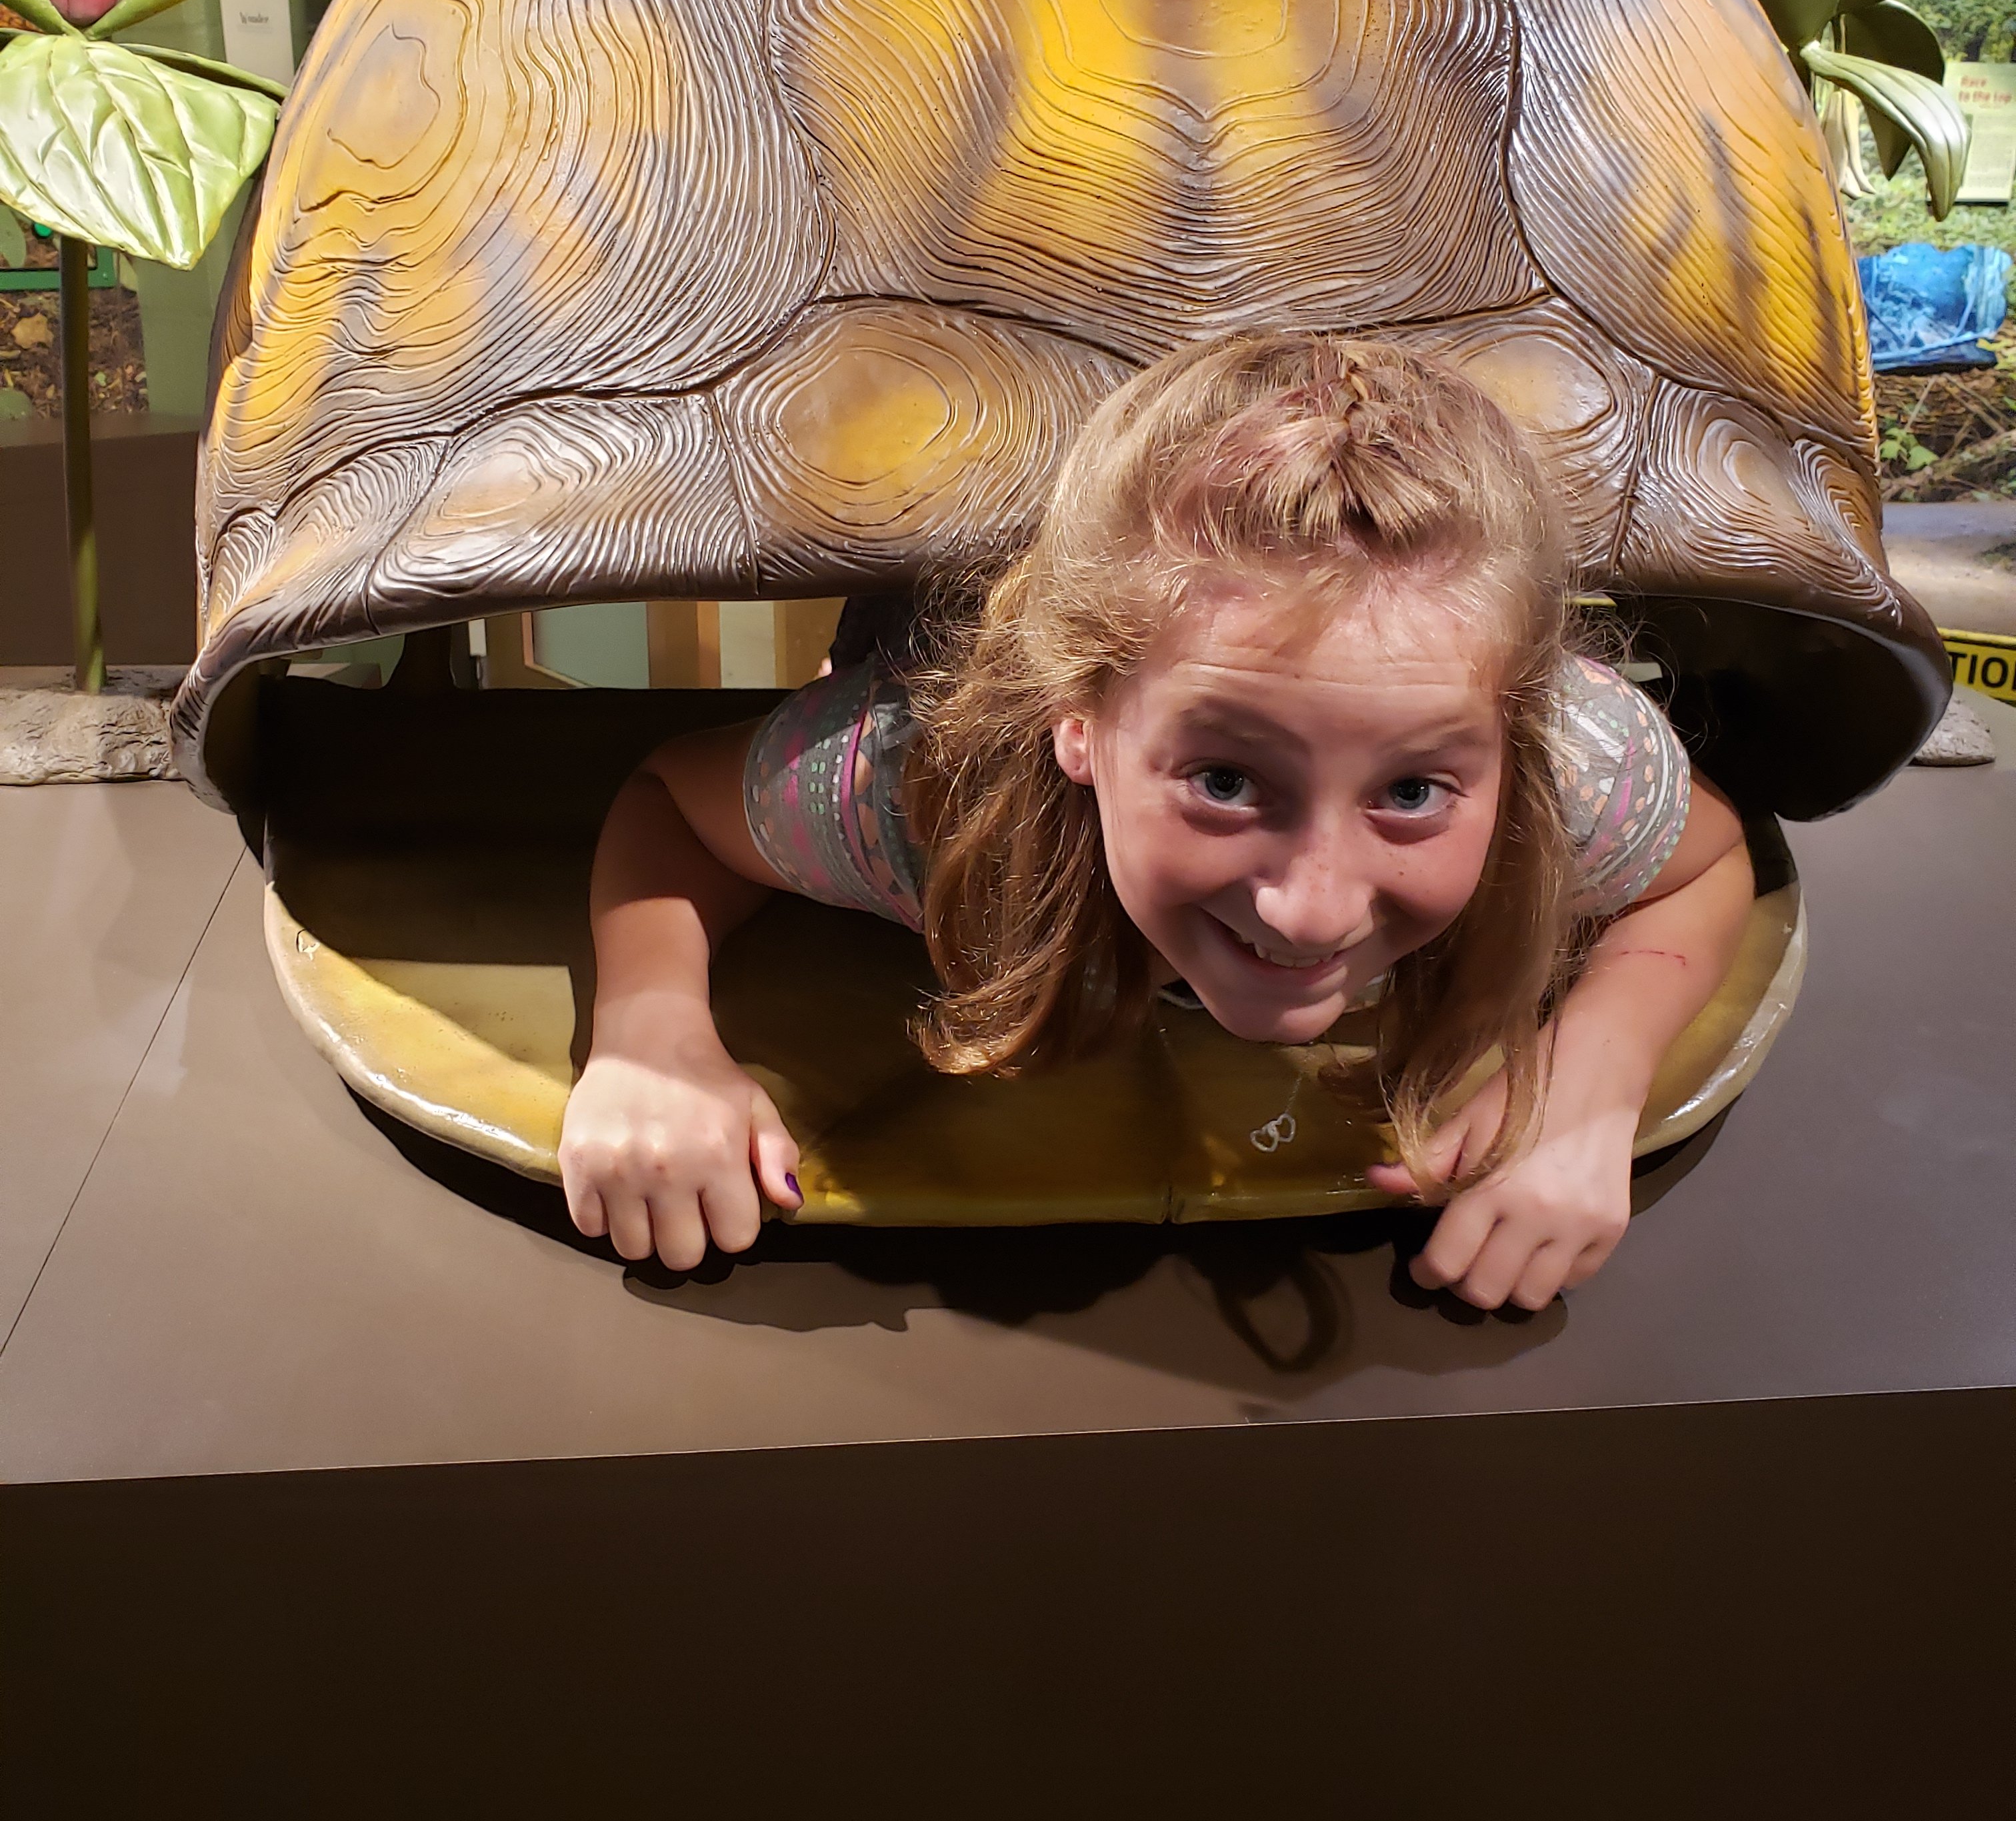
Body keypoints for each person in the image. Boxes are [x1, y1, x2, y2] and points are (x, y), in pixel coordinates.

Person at [559, 333, 1755, 1308]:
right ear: (1075, 725)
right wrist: (649, 1032)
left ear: (1514, 742)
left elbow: (1705, 865)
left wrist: (1587, 1084)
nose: (1312, 904)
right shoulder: (913, 784)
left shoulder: (1578, 772)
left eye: (1409, 792)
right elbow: (675, 800)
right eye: (1227, 783)